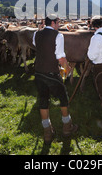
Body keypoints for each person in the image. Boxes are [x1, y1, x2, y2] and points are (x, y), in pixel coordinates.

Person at [32, 15, 78, 144]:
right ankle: (67, 127)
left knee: (43, 100)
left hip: (38, 72)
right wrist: (68, 70)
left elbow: (36, 45)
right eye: (58, 22)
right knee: (63, 99)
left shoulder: (37, 34)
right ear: (52, 23)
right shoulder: (58, 35)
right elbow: (61, 58)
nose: (59, 24)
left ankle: (47, 132)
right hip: (51, 72)